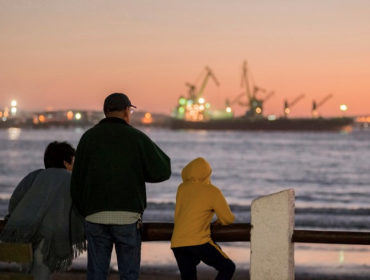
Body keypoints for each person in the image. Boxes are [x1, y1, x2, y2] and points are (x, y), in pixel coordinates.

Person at [70, 92, 171, 280]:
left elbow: (76, 182)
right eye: (130, 110)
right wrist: (136, 172)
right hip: (128, 217)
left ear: (105, 112)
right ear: (126, 111)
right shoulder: (136, 137)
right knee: (129, 274)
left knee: (97, 274)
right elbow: (163, 169)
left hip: (95, 216)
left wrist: (86, 210)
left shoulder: (88, 138)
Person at [0, 141, 86, 280]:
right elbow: (79, 207)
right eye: (73, 162)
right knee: (41, 272)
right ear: (65, 163)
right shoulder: (70, 179)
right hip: (49, 235)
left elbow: (15, 201)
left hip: (22, 232)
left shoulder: (34, 175)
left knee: (29, 272)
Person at [171, 157, 236, 280]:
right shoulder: (212, 191)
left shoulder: (182, 188)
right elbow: (228, 219)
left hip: (177, 243)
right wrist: (218, 222)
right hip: (198, 242)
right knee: (228, 267)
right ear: (208, 174)